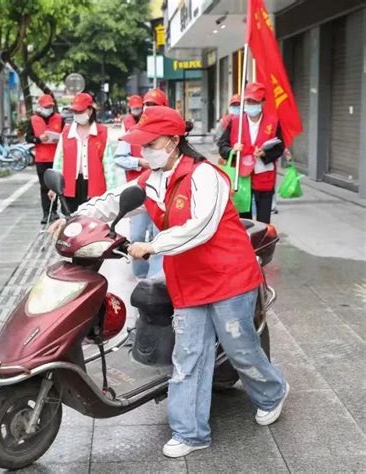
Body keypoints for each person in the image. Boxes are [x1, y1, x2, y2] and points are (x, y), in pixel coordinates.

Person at [50, 106, 289, 458]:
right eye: (142, 144)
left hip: (228, 276)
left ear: (174, 141)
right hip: (188, 281)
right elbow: (112, 200)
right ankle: (190, 433)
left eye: (152, 143)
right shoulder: (149, 179)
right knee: (189, 354)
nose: (145, 150)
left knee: (240, 348)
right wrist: (77, 219)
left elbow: (200, 227)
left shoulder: (207, 176)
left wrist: (154, 245)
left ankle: (272, 392)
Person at [217, 82, 285, 223]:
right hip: (242, 177)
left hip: (264, 175)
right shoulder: (235, 122)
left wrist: (265, 154)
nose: (251, 104)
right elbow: (222, 146)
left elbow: (280, 148)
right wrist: (232, 150)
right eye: (248, 101)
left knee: (263, 221)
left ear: (263, 102)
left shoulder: (273, 122)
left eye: (255, 101)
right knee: (244, 220)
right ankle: (246, 244)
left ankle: (262, 244)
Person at [114, 94, 162, 279]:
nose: (149, 109)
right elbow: (119, 158)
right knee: (138, 234)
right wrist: (140, 162)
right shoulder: (132, 131)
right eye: (146, 105)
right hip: (138, 191)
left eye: (154, 105)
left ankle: (156, 279)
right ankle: (141, 275)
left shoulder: (172, 135)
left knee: (161, 240)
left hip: (163, 194)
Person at [52, 93, 121, 213]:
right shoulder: (67, 132)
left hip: (94, 185)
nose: (77, 115)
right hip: (70, 186)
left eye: (80, 111)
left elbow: (109, 165)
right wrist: (53, 187)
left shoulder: (101, 133)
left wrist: (112, 192)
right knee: (70, 221)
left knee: (92, 222)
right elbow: (59, 161)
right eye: (75, 112)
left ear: (90, 110)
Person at [26, 94, 64, 224]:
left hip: (57, 158)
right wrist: (38, 139)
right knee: (44, 187)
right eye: (47, 106)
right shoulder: (33, 120)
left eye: (51, 106)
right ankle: (46, 212)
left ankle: (54, 211)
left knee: (56, 186)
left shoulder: (59, 119)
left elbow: (65, 135)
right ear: (41, 107)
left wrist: (58, 138)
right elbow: (28, 137)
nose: (49, 108)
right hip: (42, 159)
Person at [214, 94, 241, 165]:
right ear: (230, 107)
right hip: (227, 154)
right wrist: (229, 150)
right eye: (234, 106)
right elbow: (218, 139)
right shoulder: (224, 121)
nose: (236, 108)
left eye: (238, 105)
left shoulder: (245, 120)